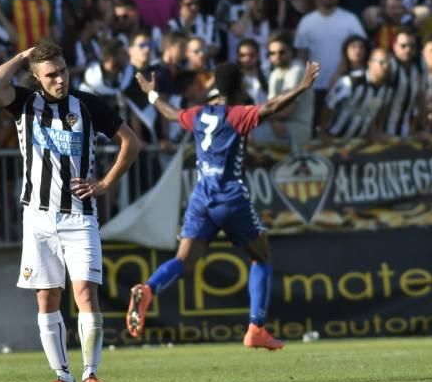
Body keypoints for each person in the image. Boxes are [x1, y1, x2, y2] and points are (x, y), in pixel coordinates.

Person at [0, 39, 142, 382]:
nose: (60, 80)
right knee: (47, 299)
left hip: (79, 217)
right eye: (51, 74)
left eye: (63, 71)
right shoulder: (24, 103)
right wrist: (24, 56)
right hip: (37, 218)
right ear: (37, 78)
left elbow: (131, 142)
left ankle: (90, 375)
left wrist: (103, 183)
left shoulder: (87, 105)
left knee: (85, 293)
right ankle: (63, 378)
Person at [128, 60, 321, 350]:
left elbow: (170, 114)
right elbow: (271, 106)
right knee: (262, 257)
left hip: (201, 197)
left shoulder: (198, 114)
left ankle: (148, 288)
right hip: (230, 197)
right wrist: (302, 87)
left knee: (183, 261)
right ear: (240, 85)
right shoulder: (238, 115)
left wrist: (152, 94)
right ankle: (256, 327)